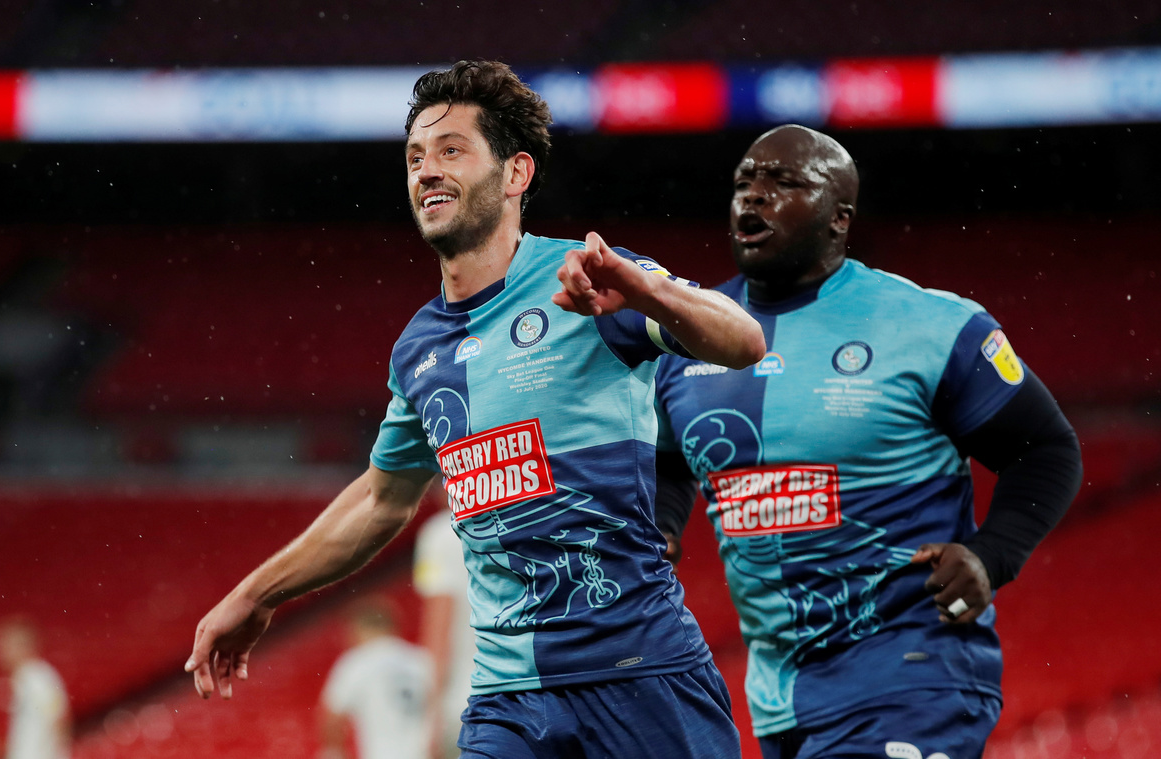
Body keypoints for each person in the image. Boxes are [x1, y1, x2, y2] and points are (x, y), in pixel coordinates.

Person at [185, 60, 767, 759]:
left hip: (640, 675)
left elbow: (743, 341)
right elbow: (381, 498)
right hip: (506, 701)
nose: (426, 170)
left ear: (516, 173)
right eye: (415, 158)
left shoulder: (591, 279)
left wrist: (650, 294)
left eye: (451, 150)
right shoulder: (419, 349)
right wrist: (257, 594)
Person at [652, 124, 1082, 759]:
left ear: (840, 218)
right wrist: (661, 526)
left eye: (784, 182)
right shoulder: (687, 336)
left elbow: (1045, 449)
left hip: (913, 671)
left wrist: (991, 555)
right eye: (744, 182)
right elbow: (667, 460)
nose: (754, 195)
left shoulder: (933, 325)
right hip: (777, 696)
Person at [319, 598, 432, 759]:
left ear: (358, 629)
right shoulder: (421, 659)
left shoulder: (355, 663)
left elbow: (332, 718)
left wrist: (336, 751)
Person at [413, 488, 477, 759]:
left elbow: (440, 626)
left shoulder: (441, 533)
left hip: (464, 701)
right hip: (519, 694)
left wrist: (432, 713)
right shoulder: (516, 525)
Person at [0, 616, 71, 759]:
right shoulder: (27, 677)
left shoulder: (36, 677)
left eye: (5, 646)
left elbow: (59, 720)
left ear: (22, 646)